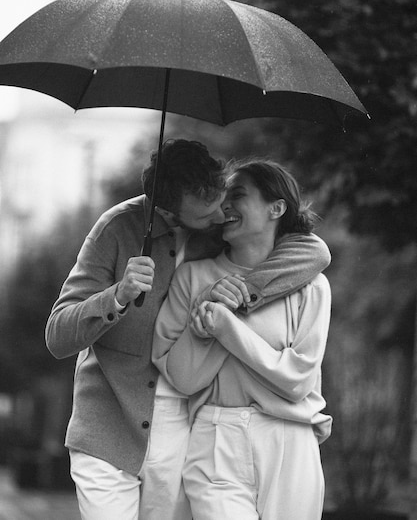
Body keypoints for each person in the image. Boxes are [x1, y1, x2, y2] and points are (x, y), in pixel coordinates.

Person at [45, 140, 330, 520]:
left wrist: (237, 297)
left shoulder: (219, 230)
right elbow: (58, 336)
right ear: (168, 211)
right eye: (206, 214)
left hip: (179, 424)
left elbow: (314, 252)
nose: (220, 217)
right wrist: (117, 295)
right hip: (109, 422)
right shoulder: (116, 229)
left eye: (223, 201)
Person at [152, 157, 332, 520]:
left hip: (289, 438)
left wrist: (225, 324)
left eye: (237, 195)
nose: (225, 206)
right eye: (223, 197)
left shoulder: (311, 286)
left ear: (276, 208)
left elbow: (297, 381)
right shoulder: (192, 278)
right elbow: (183, 379)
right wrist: (203, 329)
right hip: (216, 440)